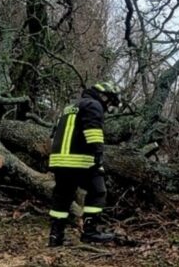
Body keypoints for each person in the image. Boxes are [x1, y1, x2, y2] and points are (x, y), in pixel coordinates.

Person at [47, 81, 121, 247]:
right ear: (104, 96)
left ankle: (55, 236)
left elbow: (53, 134)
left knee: (62, 197)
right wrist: (98, 159)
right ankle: (90, 231)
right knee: (98, 191)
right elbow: (93, 134)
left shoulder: (69, 108)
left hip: (59, 161)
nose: (109, 106)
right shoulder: (94, 105)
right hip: (80, 160)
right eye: (110, 101)